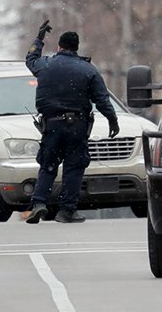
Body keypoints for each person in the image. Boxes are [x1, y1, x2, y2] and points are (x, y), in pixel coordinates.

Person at [24, 19, 120, 224]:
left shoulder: (45, 65)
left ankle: (39, 203)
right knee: (74, 167)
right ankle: (66, 210)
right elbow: (102, 99)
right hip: (77, 126)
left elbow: (30, 58)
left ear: (59, 47)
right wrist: (113, 120)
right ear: (76, 49)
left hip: (51, 125)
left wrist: (39, 38)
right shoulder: (88, 69)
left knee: (48, 165)